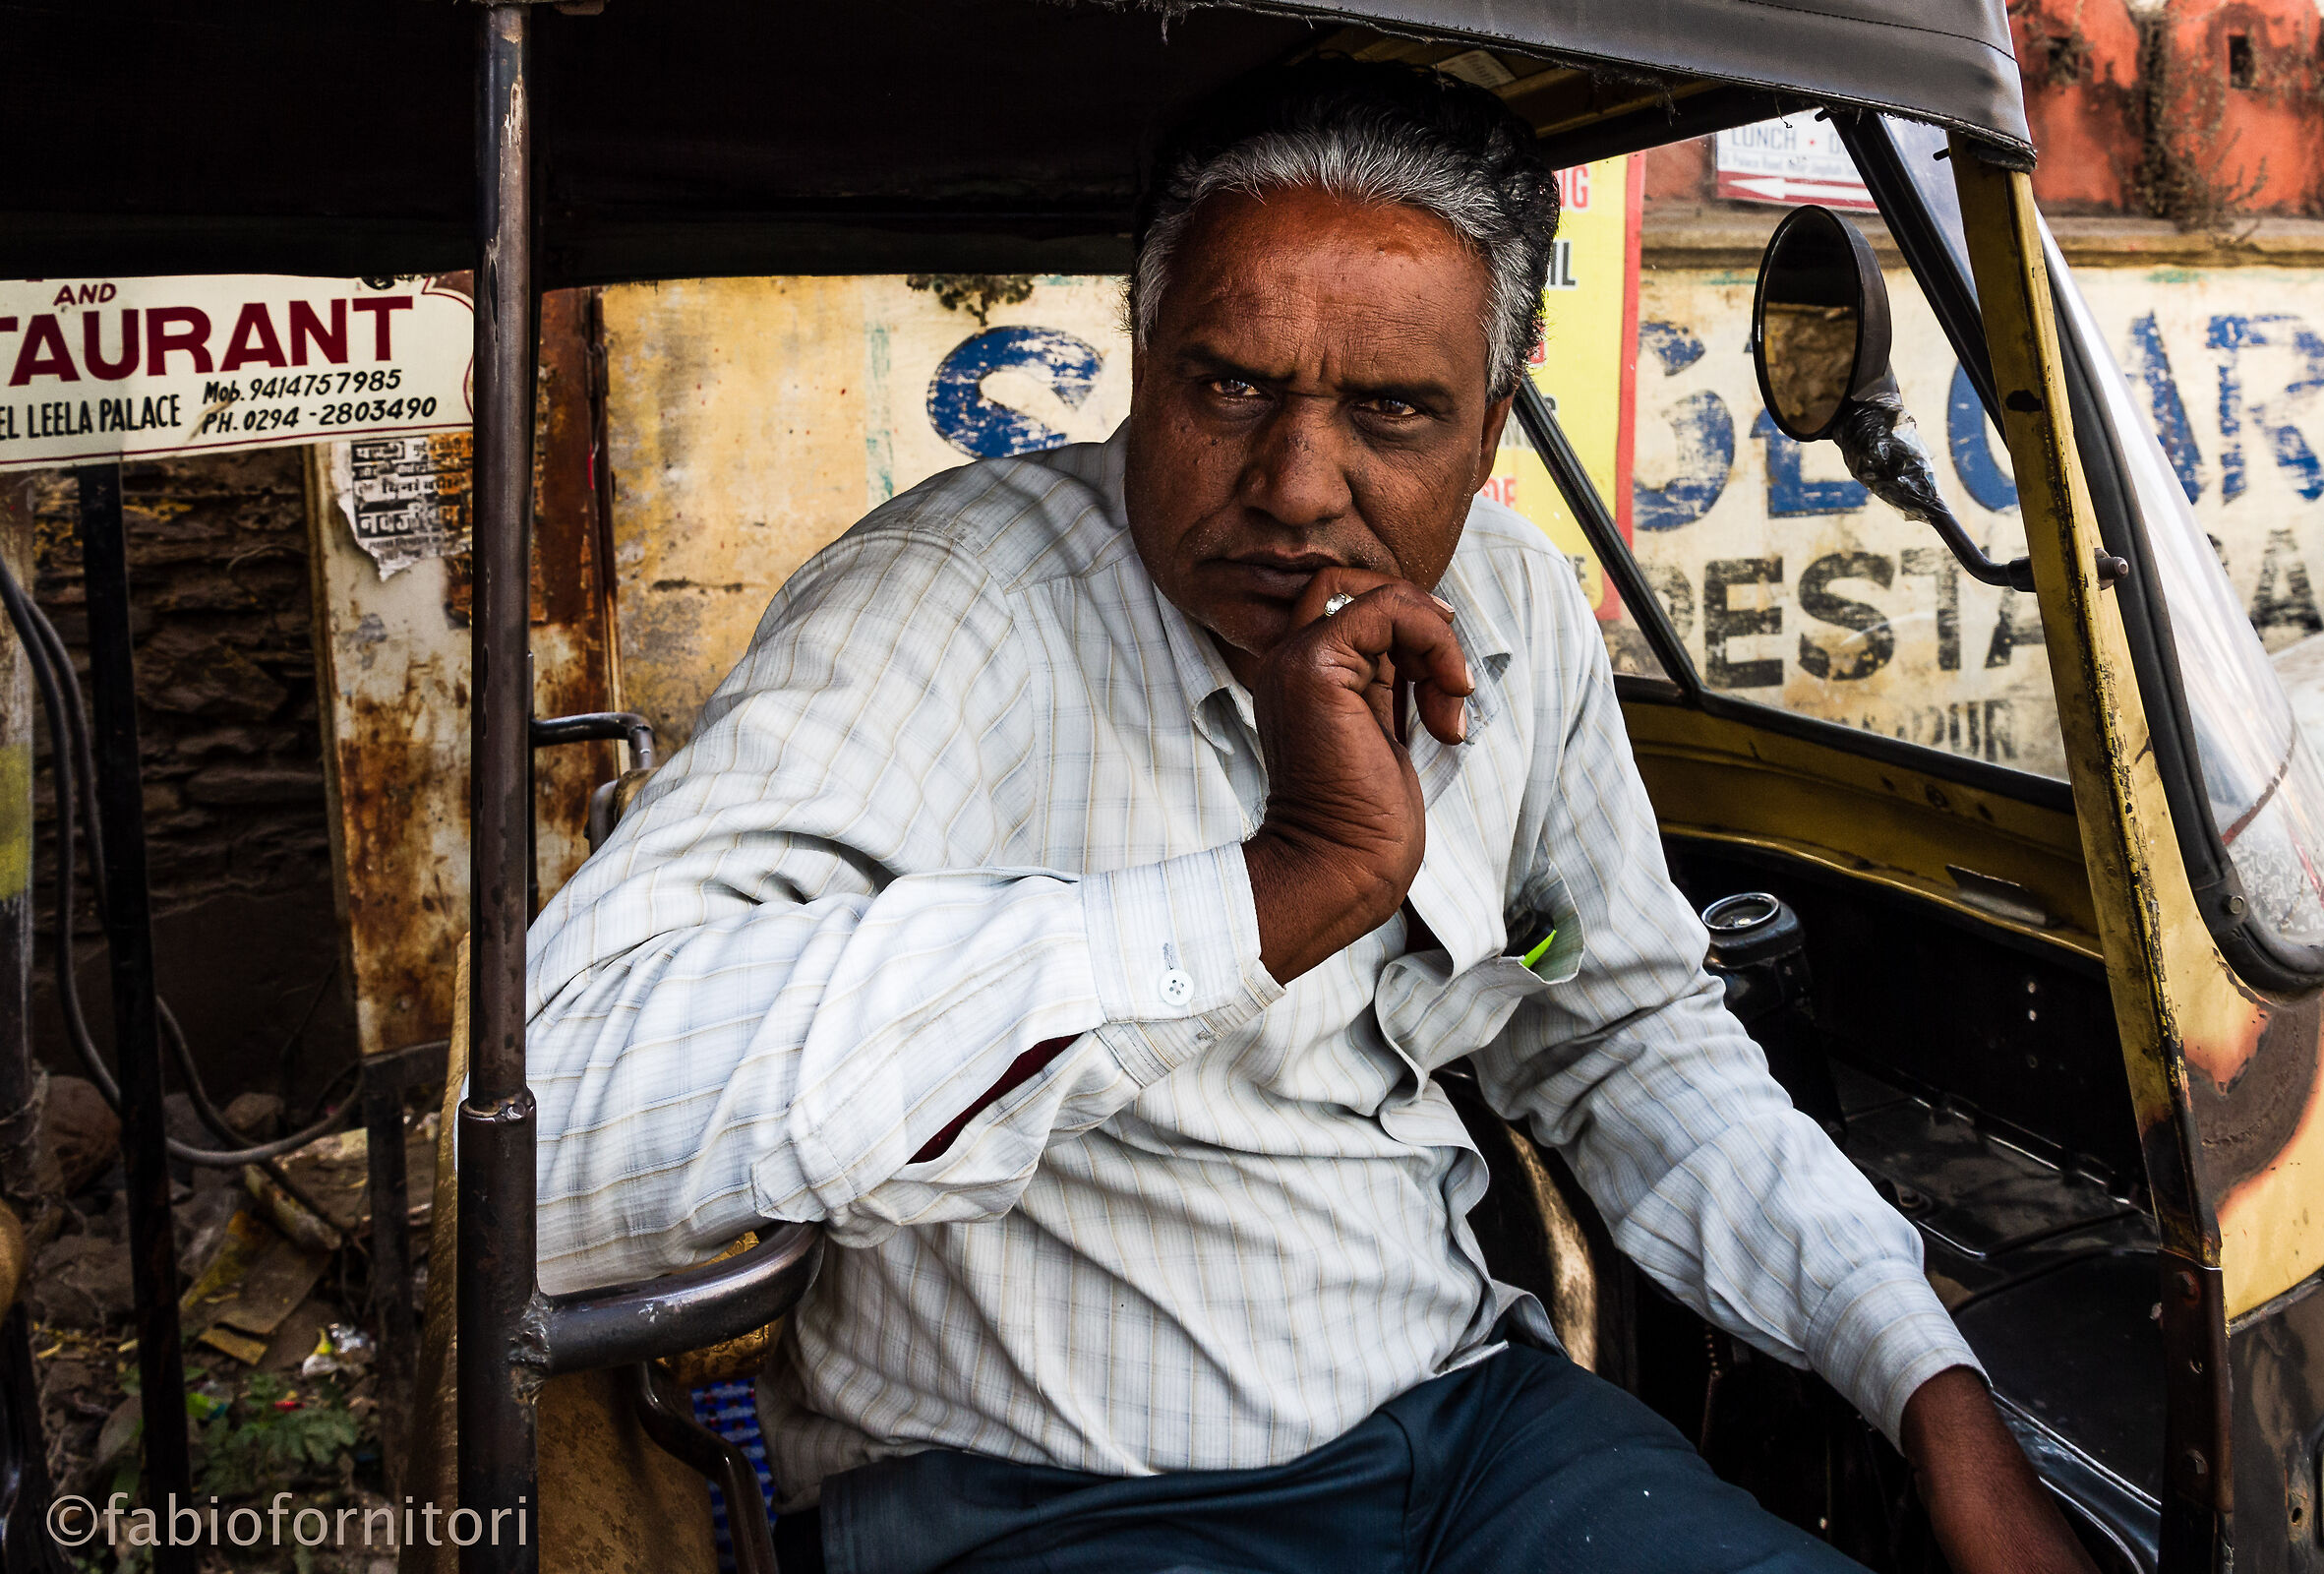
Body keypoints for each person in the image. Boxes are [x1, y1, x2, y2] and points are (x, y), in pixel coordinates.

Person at [525, 58, 2096, 1574]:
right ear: (1143, 369)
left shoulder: (1519, 612)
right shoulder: (953, 600)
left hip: (1474, 1425)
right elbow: (558, 1138)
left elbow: (1625, 1036)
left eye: (1396, 413)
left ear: (1489, 438)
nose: (1292, 483)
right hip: (1040, 1497)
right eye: (1229, 385)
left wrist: (1929, 1385)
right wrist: (1278, 889)